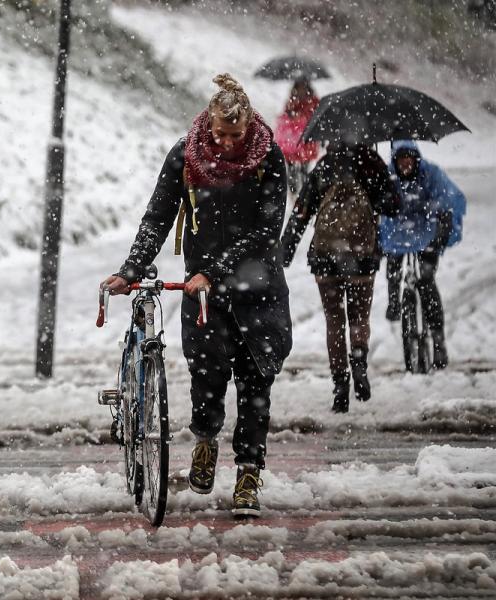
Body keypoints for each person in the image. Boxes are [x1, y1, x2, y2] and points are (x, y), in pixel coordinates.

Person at [102, 74, 291, 519]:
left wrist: (214, 269)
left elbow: (268, 231)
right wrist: (130, 268)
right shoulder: (187, 155)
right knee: (206, 376)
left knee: (255, 384)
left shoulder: (269, 158)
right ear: (208, 123)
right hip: (201, 290)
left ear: (249, 127)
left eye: (235, 135)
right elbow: (159, 215)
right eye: (220, 134)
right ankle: (206, 442)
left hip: (257, 288)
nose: (226, 144)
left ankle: (248, 472)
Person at [280, 144, 400, 413]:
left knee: (334, 320)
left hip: (326, 258)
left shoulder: (324, 166)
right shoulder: (372, 165)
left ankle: (340, 386)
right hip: (362, 257)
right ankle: (358, 361)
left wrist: (284, 253)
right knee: (359, 318)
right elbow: (394, 207)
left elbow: (302, 212)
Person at [380, 140, 466, 370]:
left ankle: (438, 340)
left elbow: (447, 198)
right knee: (393, 271)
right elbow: (376, 205)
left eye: (409, 157)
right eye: (400, 158)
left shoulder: (431, 174)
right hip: (397, 234)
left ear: (416, 158)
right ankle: (394, 303)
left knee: (426, 282)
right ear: (395, 160)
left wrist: (438, 220)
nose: (405, 163)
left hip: (427, 233)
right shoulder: (387, 176)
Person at [274, 79, 320, 199]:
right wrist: (293, 114)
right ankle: (293, 192)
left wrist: (304, 117)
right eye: (299, 88)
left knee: (304, 168)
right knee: (291, 168)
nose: (301, 90)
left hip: (306, 141)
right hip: (292, 142)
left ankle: (304, 192)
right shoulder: (292, 100)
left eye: (303, 87)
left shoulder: (313, 101)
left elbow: (316, 116)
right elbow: (287, 113)